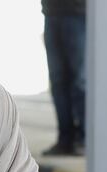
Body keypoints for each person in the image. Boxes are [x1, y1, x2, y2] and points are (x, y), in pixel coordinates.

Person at [41, 0, 86, 156]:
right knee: (58, 80)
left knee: (79, 80)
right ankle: (65, 139)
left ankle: (83, 139)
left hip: (77, 13)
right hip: (51, 12)